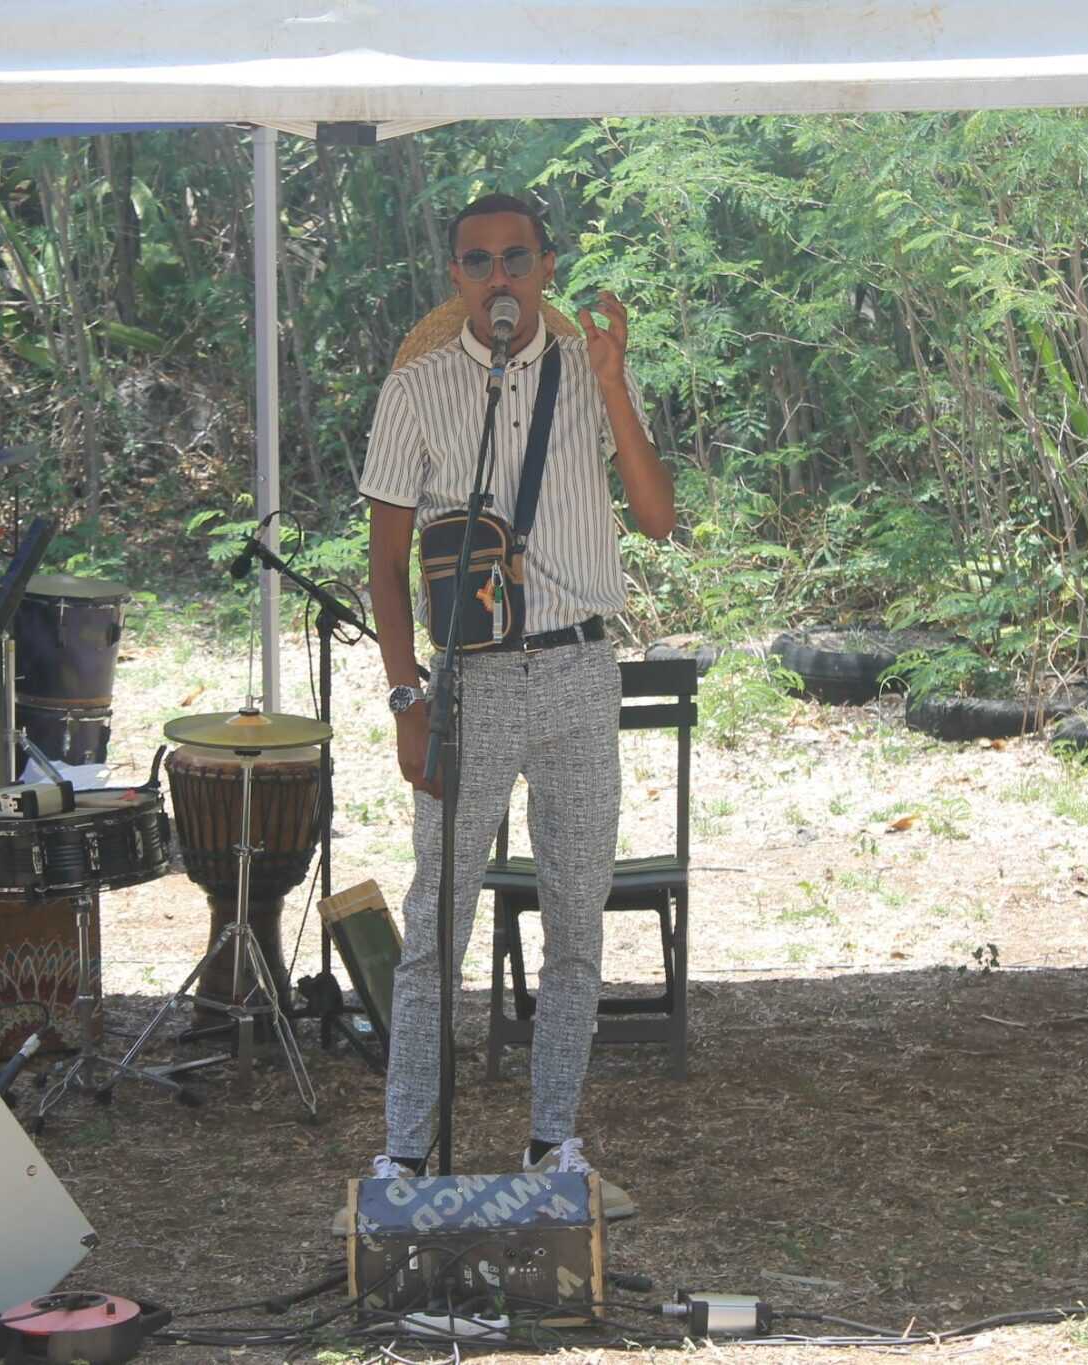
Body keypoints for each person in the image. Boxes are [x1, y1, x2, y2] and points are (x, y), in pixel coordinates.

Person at [355, 192, 675, 1215]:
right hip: (471, 680)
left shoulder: (587, 373)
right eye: (475, 261)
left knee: (575, 918)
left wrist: (615, 386)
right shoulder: (415, 389)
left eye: (514, 258)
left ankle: (551, 1143)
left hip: (581, 670)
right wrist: (406, 696)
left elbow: (659, 517)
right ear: (455, 276)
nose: (497, 277)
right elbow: (389, 560)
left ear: (544, 266)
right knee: (432, 921)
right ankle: (404, 1156)